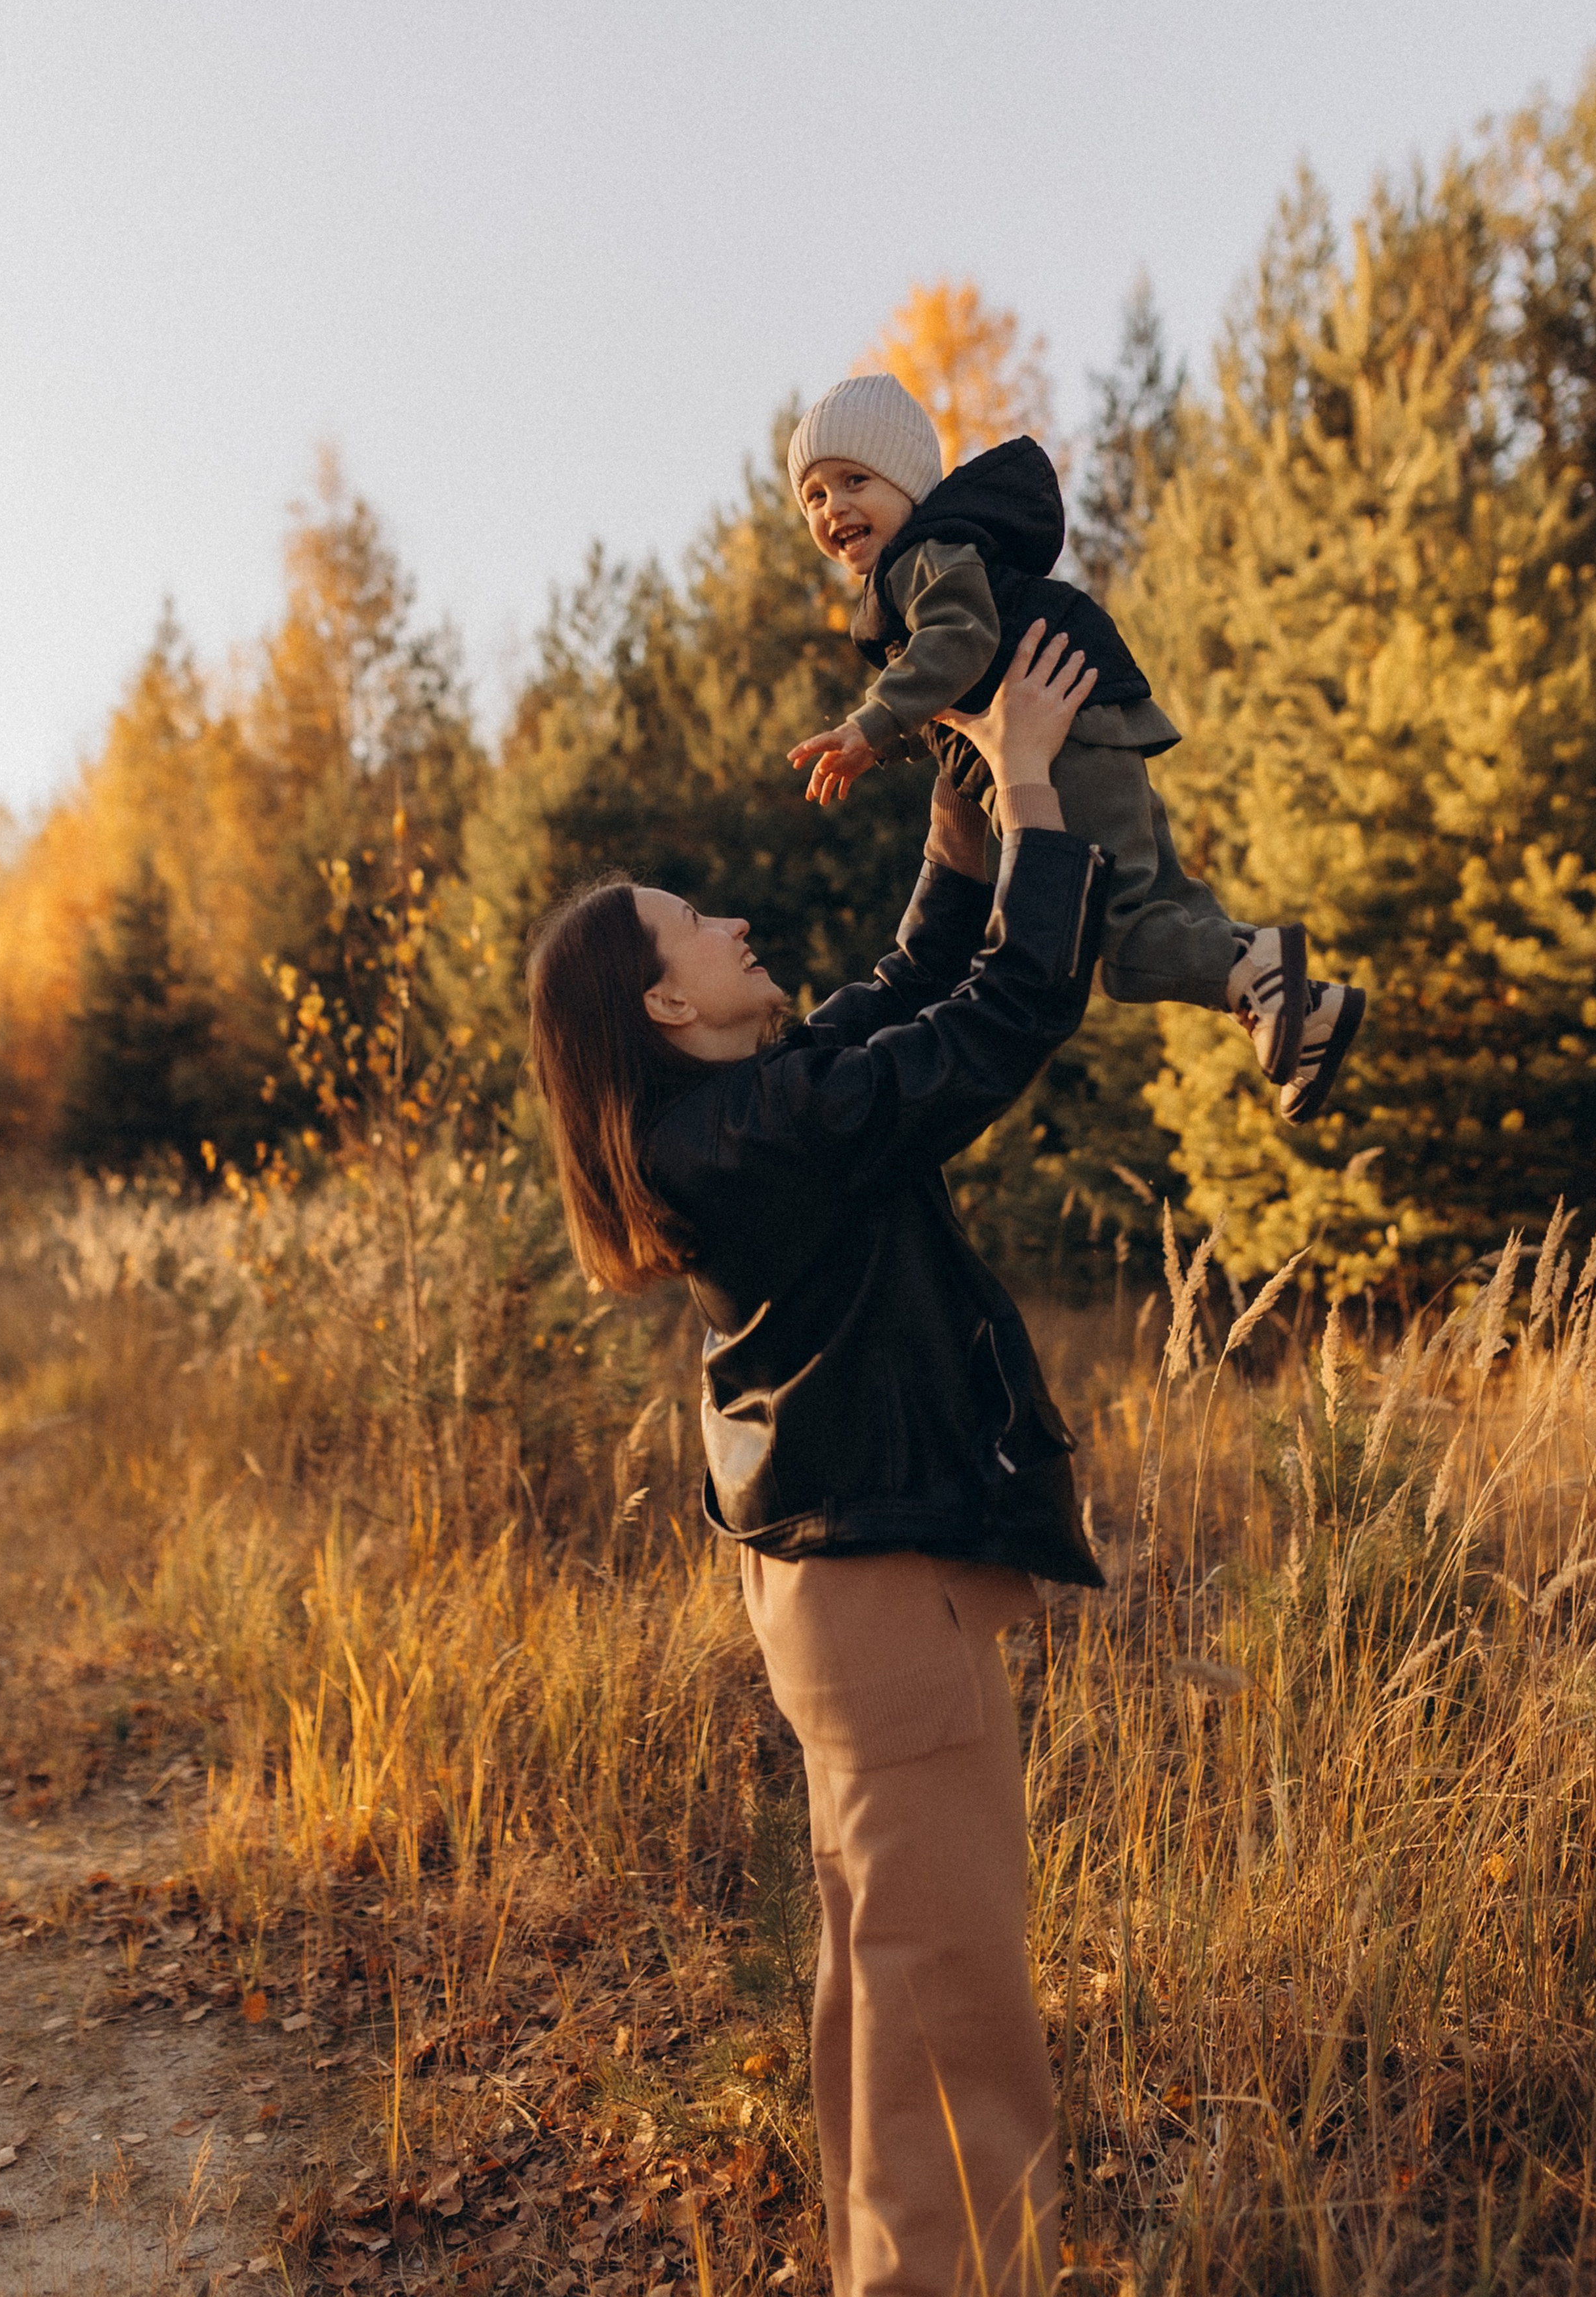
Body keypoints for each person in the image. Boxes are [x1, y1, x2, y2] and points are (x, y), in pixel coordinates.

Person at [526, 625, 1110, 2296]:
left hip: (834, 1593)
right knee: (954, 2025)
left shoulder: (731, 1111)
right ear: (661, 999)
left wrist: (956, 839)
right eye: (693, 926)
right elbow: (993, 1027)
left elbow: (897, 1001)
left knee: (887, 1986)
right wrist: (1035, 793)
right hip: (869, 1598)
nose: (732, 924)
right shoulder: (751, 1133)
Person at [785, 370, 1366, 1127]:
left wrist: (870, 726)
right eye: (814, 497)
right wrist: (892, 744)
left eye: (853, 480)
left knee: (1115, 941)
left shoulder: (924, 558)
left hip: (1063, 741)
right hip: (1088, 724)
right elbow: (950, 703)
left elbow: (961, 643)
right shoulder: (923, 565)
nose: (835, 509)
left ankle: (1254, 973)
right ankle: (1304, 1010)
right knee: (1162, 898)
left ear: (907, 482)